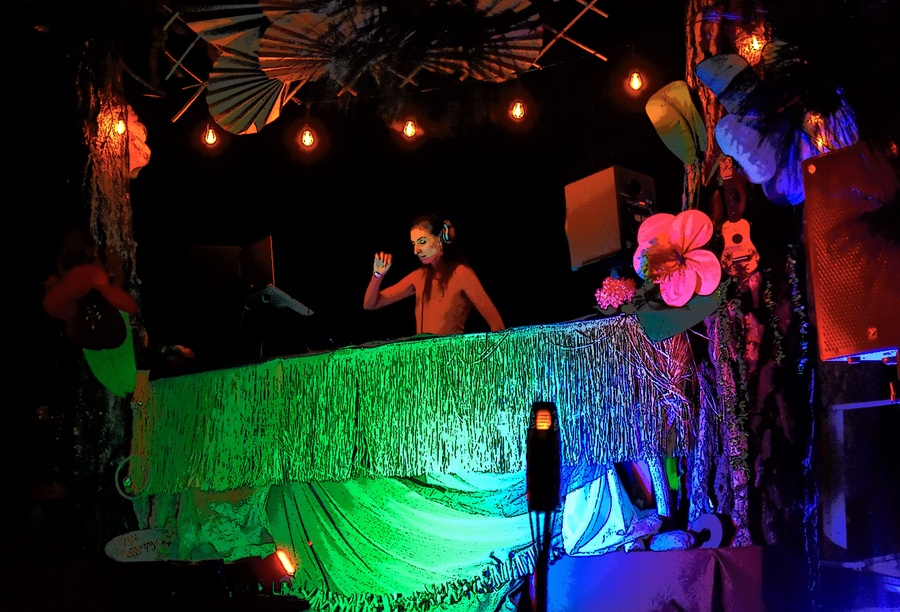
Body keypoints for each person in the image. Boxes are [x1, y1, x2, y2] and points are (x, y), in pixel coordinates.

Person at [364, 214, 505, 336]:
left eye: (422, 242)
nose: (416, 250)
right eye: (413, 244)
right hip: (422, 356)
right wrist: (377, 275)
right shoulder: (419, 276)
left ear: (439, 240)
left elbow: (497, 325)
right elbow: (370, 304)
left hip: (450, 355)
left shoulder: (461, 273)